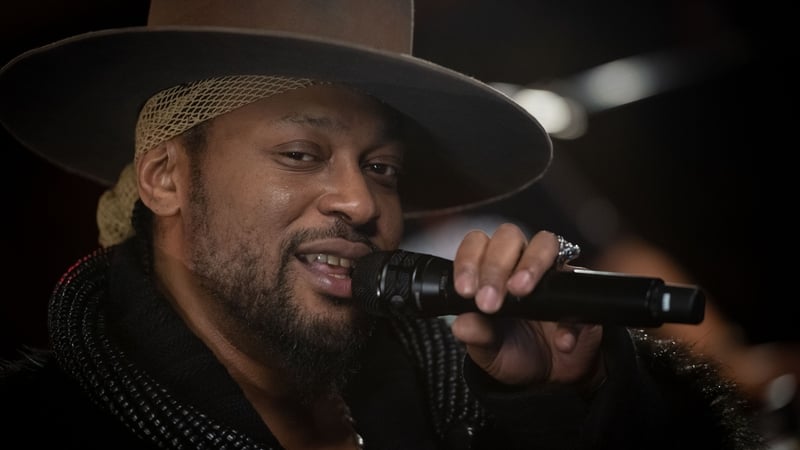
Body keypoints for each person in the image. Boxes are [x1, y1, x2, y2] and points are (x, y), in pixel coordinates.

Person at [0, 1, 765, 449]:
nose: (362, 204)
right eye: (302, 153)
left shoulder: (466, 384)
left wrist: (572, 398)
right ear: (168, 177)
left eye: (383, 168)